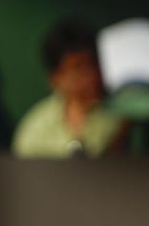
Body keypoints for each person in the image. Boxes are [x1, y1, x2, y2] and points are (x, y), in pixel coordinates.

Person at [12, 18, 125, 158]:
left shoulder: (121, 118)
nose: (91, 76)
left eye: (94, 64)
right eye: (78, 68)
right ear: (55, 78)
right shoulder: (36, 128)